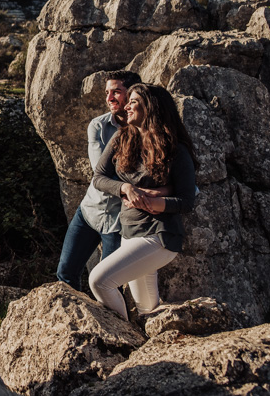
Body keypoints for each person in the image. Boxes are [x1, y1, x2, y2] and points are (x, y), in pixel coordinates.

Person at [88, 83, 198, 320]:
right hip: (130, 232)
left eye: (134, 102)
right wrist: (125, 188)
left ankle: (122, 340)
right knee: (148, 310)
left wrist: (156, 203)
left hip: (158, 235)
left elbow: (187, 200)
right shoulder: (121, 138)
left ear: (151, 107)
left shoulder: (175, 150)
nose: (126, 106)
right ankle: (152, 348)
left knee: (99, 281)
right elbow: (99, 178)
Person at [55, 69, 147, 290]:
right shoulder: (98, 126)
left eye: (116, 91)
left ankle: (110, 324)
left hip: (118, 221)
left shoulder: (147, 131)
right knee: (65, 273)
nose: (109, 98)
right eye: (107, 92)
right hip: (89, 212)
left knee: (109, 284)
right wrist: (129, 183)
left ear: (134, 93)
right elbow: (101, 172)